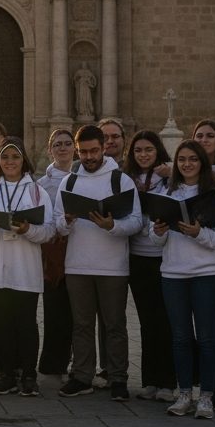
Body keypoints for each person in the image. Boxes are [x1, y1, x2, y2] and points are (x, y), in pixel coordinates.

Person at [54, 124, 142, 402]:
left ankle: (117, 378)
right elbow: (57, 222)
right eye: (84, 152)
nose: (89, 157)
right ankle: (81, 376)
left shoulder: (121, 181)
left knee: (114, 323)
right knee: (81, 324)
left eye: (94, 151)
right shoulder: (68, 182)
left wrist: (112, 225)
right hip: (78, 265)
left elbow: (137, 221)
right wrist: (66, 222)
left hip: (112, 267)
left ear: (104, 147)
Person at [149, 141, 215, 419]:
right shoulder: (166, 192)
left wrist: (199, 233)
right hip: (173, 274)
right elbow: (155, 239)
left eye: (192, 159)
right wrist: (159, 230)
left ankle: (206, 396)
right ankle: (184, 392)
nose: (187, 164)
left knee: (207, 337)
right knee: (180, 338)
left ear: (201, 162)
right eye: (182, 160)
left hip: (206, 274)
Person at [0, 138, 55, 397]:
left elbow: (49, 230)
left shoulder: (37, 191)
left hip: (25, 268)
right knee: (2, 324)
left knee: (26, 323)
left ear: (23, 161)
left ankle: (29, 374)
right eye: (5, 158)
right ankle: (6, 373)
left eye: (15, 157)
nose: (10, 162)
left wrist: (29, 229)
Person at [123, 130, 175, 402]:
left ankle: (168, 381)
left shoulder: (169, 180)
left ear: (158, 153)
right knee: (146, 320)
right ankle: (150, 380)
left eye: (148, 150)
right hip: (137, 258)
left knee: (164, 319)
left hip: (164, 258)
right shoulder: (126, 181)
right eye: (138, 151)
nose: (143, 155)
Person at [36, 129, 76, 384]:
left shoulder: (84, 177)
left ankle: (78, 361)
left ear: (75, 148)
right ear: (50, 150)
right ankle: (53, 363)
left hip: (82, 248)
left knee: (79, 312)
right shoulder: (42, 184)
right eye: (57, 145)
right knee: (55, 308)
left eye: (67, 144)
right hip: (54, 251)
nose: (62, 148)